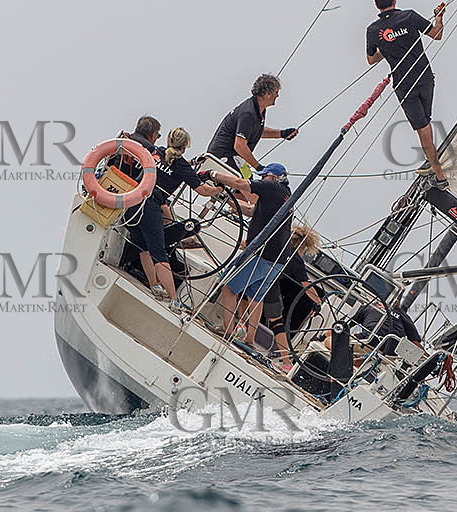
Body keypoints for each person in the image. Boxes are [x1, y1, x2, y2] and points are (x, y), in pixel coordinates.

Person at [129, 127, 252, 305]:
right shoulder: (181, 165)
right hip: (152, 205)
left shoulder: (157, 152)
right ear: (185, 146)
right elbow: (202, 190)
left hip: (134, 200)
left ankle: (155, 285)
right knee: (158, 252)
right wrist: (218, 189)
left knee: (143, 246)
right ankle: (173, 299)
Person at [366, 0, 447, 184]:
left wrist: (388, 45)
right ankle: (431, 160)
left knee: (423, 126)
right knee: (425, 122)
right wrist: (439, 17)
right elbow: (436, 35)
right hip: (426, 78)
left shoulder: (373, 30)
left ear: (377, 6)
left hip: (404, 85)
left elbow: (371, 59)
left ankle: (439, 175)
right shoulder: (409, 16)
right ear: (394, 1)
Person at [217, 164, 293, 346]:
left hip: (261, 254)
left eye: (263, 176)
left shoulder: (271, 187)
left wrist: (212, 174)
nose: (261, 179)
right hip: (278, 261)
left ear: (272, 177)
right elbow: (251, 211)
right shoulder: (285, 195)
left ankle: (227, 330)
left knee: (228, 287)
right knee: (255, 297)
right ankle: (249, 338)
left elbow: (239, 182)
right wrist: (227, 198)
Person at [208, 73, 299, 177]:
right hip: (222, 159)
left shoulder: (259, 110)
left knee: (253, 189)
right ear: (267, 93)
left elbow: (255, 131)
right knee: (247, 189)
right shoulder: (248, 113)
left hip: (236, 159)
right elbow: (239, 146)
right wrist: (259, 167)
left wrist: (281, 134)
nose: (278, 95)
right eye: (276, 92)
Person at [267, 223, 325, 370]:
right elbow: (306, 284)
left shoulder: (281, 248)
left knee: (240, 296)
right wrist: (318, 302)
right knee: (277, 323)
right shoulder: (297, 261)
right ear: (305, 246)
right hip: (271, 288)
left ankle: (241, 329)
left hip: (262, 280)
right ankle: (286, 362)